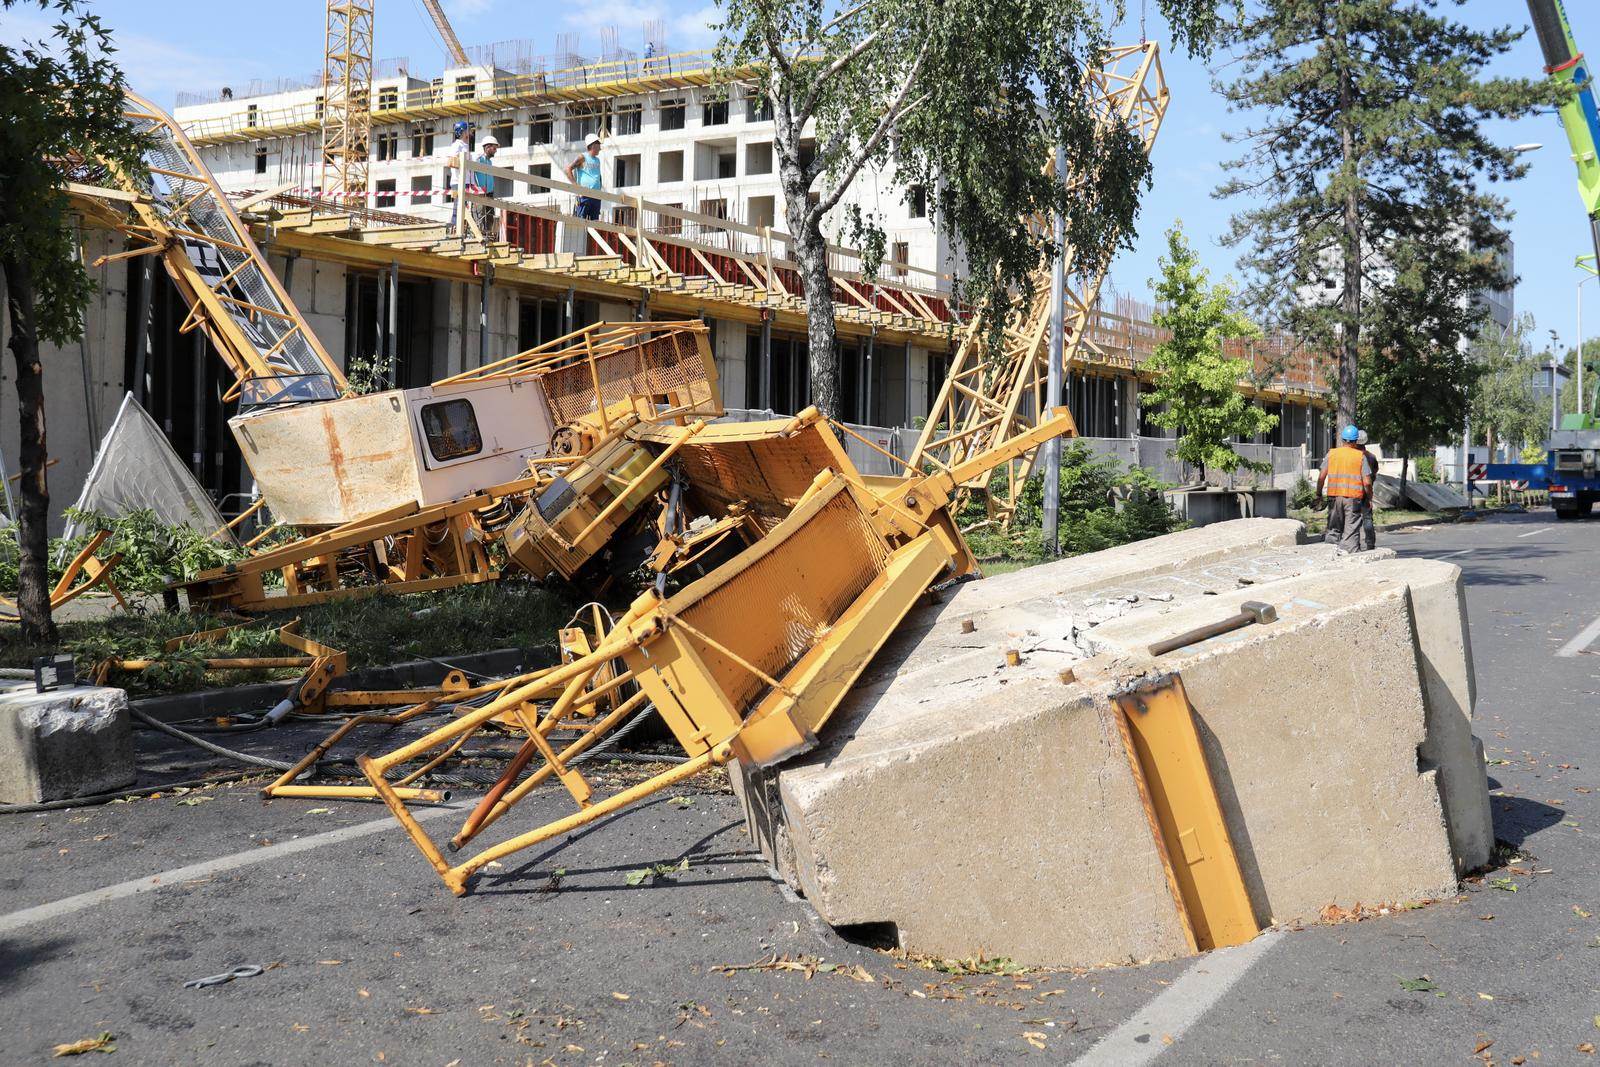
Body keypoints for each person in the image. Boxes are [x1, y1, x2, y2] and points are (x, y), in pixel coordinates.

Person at [1318, 424, 1374, 553]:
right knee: (1351, 529)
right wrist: (1369, 498)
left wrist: (1318, 494)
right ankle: (1351, 555)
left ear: (1343, 439)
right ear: (1356, 441)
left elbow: (1321, 477)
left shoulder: (1331, 454)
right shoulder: (1360, 456)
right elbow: (1367, 482)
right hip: (1353, 498)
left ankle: (1329, 552)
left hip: (1333, 497)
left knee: (1333, 528)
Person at [566, 133, 603, 221]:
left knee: (594, 222)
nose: (600, 149)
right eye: (599, 146)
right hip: (584, 196)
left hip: (596, 196)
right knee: (580, 220)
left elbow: (598, 175)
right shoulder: (582, 157)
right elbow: (568, 169)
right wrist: (576, 186)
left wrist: (600, 188)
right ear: (593, 145)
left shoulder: (597, 160)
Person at [471, 133, 501, 239]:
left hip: (489, 193)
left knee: (489, 217)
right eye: (494, 148)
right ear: (487, 147)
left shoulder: (489, 162)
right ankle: (479, 236)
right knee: (479, 216)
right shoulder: (478, 159)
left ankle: (488, 236)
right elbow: (471, 173)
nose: (495, 150)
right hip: (479, 193)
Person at [444, 120, 472, 226]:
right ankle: (455, 227)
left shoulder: (465, 146)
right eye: (467, 130)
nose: (469, 132)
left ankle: (461, 228)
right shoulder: (456, 145)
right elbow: (451, 160)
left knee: (464, 208)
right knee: (458, 207)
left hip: (466, 181)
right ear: (463, 132)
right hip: (458, 181)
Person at [1357, 429, 1379, 550]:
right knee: (1367, 518)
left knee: (1352, 519)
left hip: (1353, 491)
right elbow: (1374, 473)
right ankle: (1370, 543)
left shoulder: (1354, 456)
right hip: (1366, 491)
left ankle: (1354, 543)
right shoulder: (1371, 456)